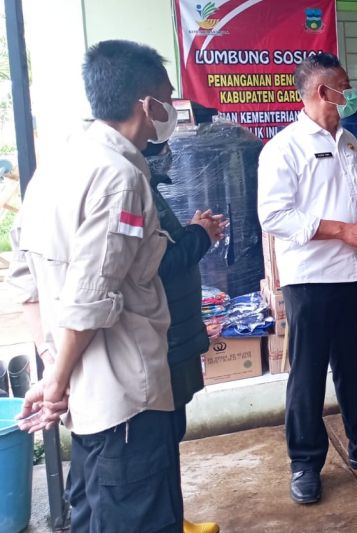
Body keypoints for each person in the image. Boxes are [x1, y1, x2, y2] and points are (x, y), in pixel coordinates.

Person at [9, 40, 183, 531]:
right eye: (166, 100)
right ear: (145, 106)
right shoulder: (120, 177)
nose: (169, 113)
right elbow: (90, 298)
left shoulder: (57, 165)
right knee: (139, 516)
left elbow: (26, 279)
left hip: (85, 401)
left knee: (93, 513)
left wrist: (52, 374)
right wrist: (56, 384)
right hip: (124, 398)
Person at [258, 52, 357, 505]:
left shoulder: (348, 141)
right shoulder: (283, 148)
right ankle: (305, 463)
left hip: (353, 274)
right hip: (310, 279)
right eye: (344, 85)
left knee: (356, 369)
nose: (351, 92)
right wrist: (342, 230)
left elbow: (356, 198)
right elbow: (273, 215)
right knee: (306, 376)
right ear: (323, 91)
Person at [144, 141, 226, 533]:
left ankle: (174, 517)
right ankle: (168, 521)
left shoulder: (147, 187)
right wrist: (200, 234)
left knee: (170, 432)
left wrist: (193, 229)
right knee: (161, 436)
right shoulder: (130, 188)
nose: (167, 149)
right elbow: (162, 264)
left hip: (175, 332)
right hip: (164, 336)